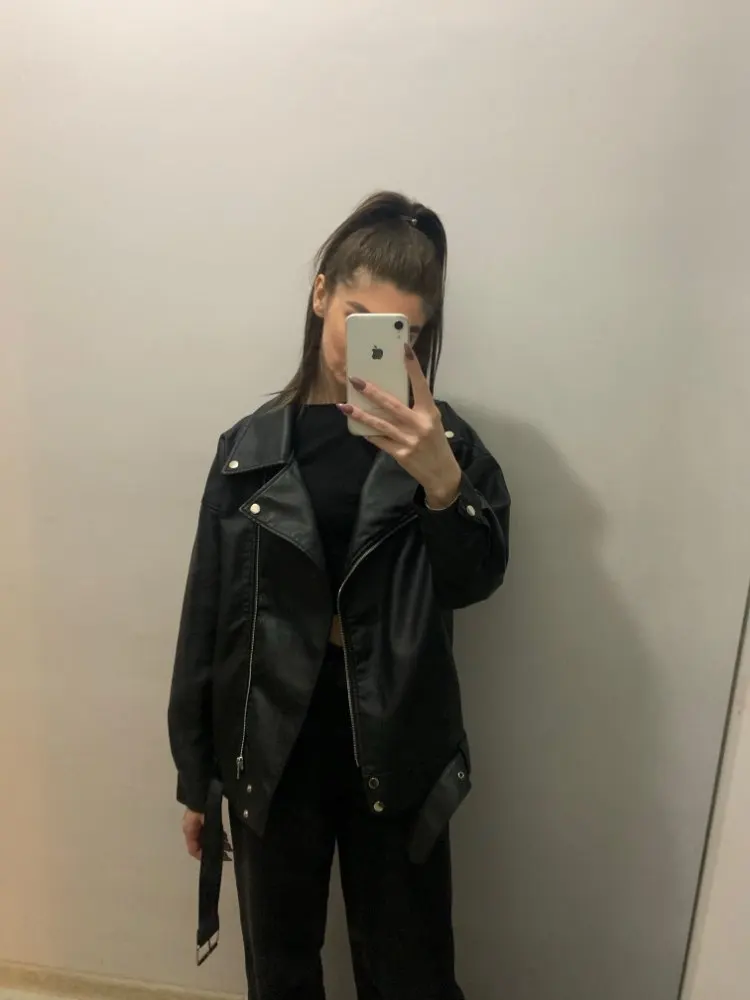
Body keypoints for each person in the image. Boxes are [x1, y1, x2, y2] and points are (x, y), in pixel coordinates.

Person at [168, 191, 511, 1000]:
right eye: (358, 318)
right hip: (271, 738)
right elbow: (209, 615)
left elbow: (476, 581)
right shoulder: (251, 448)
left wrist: (442, 483)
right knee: (281, 967)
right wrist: (197, 774)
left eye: (402, 332)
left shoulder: (448, 446)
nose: (375, 347)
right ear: (321, 294)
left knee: (410, 969)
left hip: (397, 732)